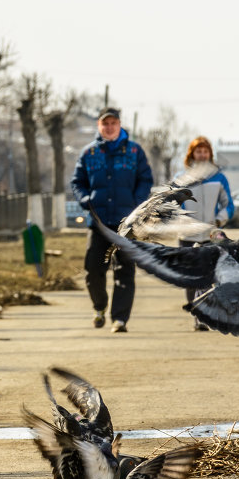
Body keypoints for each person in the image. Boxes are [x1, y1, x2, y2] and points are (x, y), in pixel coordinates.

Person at [70, 107, 154, 333]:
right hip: (98, 222)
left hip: (126, 224)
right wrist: (85, 199)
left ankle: (120, 319)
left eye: (113, 123)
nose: (109, 127)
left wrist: (137, 203)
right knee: (93, 270)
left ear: (119, 125)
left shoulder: (134, 152)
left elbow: (145, 179)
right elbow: (77, 182)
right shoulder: (89, 153)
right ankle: (99, 307)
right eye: (105, 124)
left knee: (124, 271)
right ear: (99, 126)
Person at [177, 136, 234, 330]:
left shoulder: (219, 178)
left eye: (205, 151)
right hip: (187, 234)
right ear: (191, 154)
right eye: (198, 151)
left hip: (211, 234)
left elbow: (229, 205)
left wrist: (219, 220)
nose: (202, 155)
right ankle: (198, 315)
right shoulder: (182, 178)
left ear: (210, 154)